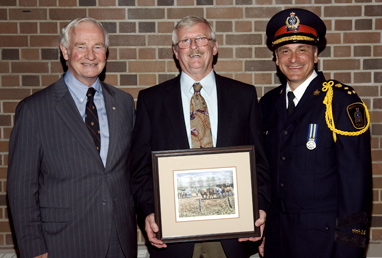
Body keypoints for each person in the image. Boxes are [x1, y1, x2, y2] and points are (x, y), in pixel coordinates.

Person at [131, 15, 271, 258]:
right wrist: (148, 211)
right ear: (176, 52)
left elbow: (259, 163)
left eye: (201, 39)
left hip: (232, 237)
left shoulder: (243, 97)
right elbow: (140, 168)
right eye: (185, 41)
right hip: (174, 239)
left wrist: (259, 207)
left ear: (214, 47)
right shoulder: (151, 101)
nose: (194, 47)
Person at [7, 17, 136, 258]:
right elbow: (21, 188)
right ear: (65, 51)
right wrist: (33, 248)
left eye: (98, 46)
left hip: (119, 241)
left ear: (106, 52)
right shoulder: (35, 110)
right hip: (63, 243)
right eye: (81, 46)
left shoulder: (124, 103)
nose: (91, 55)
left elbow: (131, 170)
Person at [259, 8, 372, 258]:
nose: (294, 58)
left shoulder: (341, 102)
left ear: (316, 54)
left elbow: (356, 183)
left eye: (302, 49)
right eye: (285, 51)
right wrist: (265, 233)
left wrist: (350, 246)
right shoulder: (267, 105)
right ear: (276, 59)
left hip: (325, 242)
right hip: (279, 239)